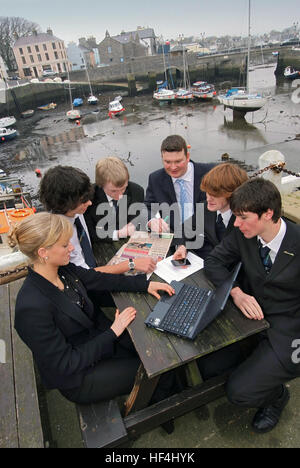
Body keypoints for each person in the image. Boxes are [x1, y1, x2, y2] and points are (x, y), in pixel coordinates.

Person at [11, 212, 175, 404]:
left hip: (97, 341)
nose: (71, 248)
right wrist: (114, 331)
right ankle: (160, 408)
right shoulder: (30, 308)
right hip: (79, 376)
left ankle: (162, 396)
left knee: (157, 353)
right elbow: (65, 364)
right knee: (157, 370)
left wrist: (144, 285)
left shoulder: (63, 269)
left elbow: (100, 279)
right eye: (65, 245)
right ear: (42, 252)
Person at [204, 178, 300, 433]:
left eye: (243, 217)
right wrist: (236, 293)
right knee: (207, 367)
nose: (236, 224)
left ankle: (277, 396)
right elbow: (213, 262)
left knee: (238, 393)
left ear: (268, 213)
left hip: (290, 329)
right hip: (249, 318)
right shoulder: (243, 233)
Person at [39, 165, 156, 275]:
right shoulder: (56, 236)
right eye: (83, 200)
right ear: (66, 203)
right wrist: (130, 264)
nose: (89, 203)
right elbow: (85, 275)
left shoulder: (76, 212)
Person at [173, 163, 248, 261]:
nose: (209, 198)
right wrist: (181, 246)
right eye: (208, 192)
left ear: (232, 195)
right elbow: (185, 228)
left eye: (215, 195)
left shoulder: (245, 219)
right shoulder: (206, 207)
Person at [144, 135, 215, 237]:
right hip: (173, 236)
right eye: (167, 162)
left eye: (178, 161)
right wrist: (152, 220)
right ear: (162, 158)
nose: (173, 167)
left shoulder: (210, 172)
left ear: (188, 157)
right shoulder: (155, 179)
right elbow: (147, 207)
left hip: (206, 237)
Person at [84, 156, 144, 244]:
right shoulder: (89, 197)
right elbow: (91, 232)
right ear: (101, 184)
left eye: (123, 188)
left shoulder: (137, 191)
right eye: (114, 191)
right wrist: (118, 234)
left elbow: (136, 219)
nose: (120, 195)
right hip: (100, 245)